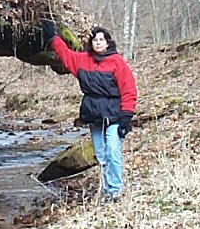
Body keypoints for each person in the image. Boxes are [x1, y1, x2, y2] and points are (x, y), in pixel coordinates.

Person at [41, 20, 138, 202]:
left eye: (101, 39)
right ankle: (108, 190)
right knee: (101, 155)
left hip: (114, 114)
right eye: (95, 40)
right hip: (94, 115)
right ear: (91, 43)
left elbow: (129, 90)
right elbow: (65, 55)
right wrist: (53, 38)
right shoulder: (83, 60)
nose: (98, 43)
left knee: (113, 151)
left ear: (108, 42)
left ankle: (115, 190)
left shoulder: (117, 62)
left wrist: (126, 117)